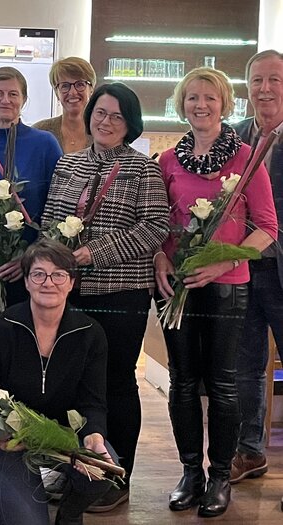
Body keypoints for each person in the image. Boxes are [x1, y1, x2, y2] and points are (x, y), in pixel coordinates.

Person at [41, 82, 170, 511]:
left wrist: (94, 253)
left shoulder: (143, 169)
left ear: (130, 123)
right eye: (100, 113)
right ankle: (75, 470)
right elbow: (48, 220)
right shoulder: (68, 164)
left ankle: (117, 477)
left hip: (121, 294)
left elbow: (154, 228)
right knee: (71, 384)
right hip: (69, 295)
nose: (106, 122)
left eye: (117, 116)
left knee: (115, 383)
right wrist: (51, 260)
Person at [155, 67, 277, 517]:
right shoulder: (168, 160)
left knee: (224, 384)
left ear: (225, 103)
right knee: (183, 382)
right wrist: (160, 257)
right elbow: (159, 223)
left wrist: (224, 262)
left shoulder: (247, 158)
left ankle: (221, 476)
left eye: (209, 97)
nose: (200, 105)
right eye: (192, 97)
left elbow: (266, 228)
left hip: (227, 287)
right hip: (177, 286)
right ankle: (190, 473)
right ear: (181, 104)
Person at [0, 239, 115, 525]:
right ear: (26, 281)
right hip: (9, 438)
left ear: (71, 282)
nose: (48, 282)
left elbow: (93, 402)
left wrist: (94, 437)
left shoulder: (90, 333)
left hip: (63, 433)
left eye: (58, 274)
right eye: (38, 274)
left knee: (104, 471)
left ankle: (69, 515)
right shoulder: (1, 329)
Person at [0, 66, 63, 307]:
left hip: (34, 269)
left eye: (13, 94)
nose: (5, 100)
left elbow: (58, 206)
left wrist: (30, 255)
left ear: (24, 99)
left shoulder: (45, 143)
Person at [231, 49, 283, 485]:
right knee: (244, 366)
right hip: (242, 271)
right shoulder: (233, 138)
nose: (265, 89)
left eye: (275, 80)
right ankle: (249, 451)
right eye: (257, 80)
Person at [34, 57, 96, 153]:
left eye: (80, 84)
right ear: (56, 93)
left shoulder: (102, 132)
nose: (73, 92)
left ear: (91, 89)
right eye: (65, 86)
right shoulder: (40, 131)